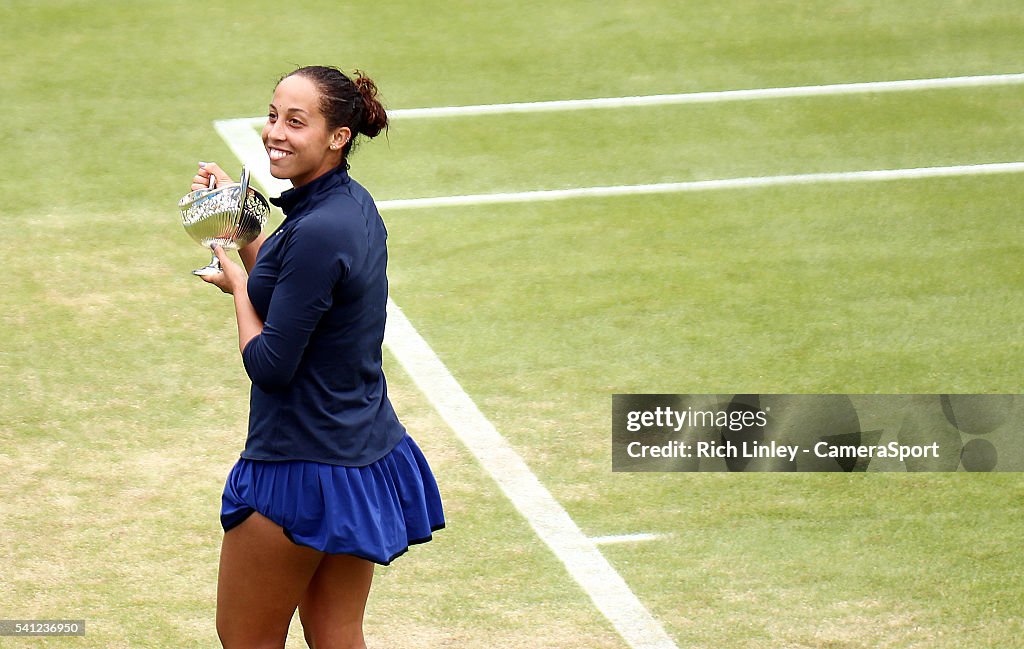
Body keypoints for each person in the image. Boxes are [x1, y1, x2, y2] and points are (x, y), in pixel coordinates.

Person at [189, 65, 445, 649]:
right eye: (274, 116)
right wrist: (241, 223)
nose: (275, 132)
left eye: (296, 122)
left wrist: (234, 282)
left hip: (297, 470)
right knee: (335, 633)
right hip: (358, 458)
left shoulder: (317, 230)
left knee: (246, 640)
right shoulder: (349, 207)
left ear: (338, 136)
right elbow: (294, 287)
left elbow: (271, 363)